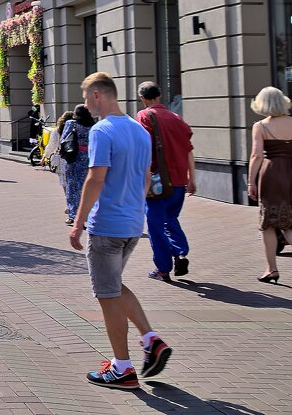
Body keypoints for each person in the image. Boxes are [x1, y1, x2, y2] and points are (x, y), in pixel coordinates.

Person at [69, 72, 172, 389]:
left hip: (107, 225)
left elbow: (95, 178)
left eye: (87, 99)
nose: (86, 105)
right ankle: (151, 339)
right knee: (114, 286)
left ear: (98, 95)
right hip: (131, 224)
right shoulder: (139, 131)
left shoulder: (103, 130)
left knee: (107, 295)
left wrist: (78, 222)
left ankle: (123, 368)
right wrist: (134, 210)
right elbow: (144, 178)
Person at [136, 82, 195, 282]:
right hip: (179, 181)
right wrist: (192, 179)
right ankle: (180, 252)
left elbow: (143, 149)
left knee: (155, 225)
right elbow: (189, 150)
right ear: (160, 95)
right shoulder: (177, 118)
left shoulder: (144, 116)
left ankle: (163, 268)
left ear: (143, 98)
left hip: (157, 183)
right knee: (170, 219)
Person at [247, 86, 292, 283]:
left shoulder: (261, 126)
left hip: (272, 173)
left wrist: (251, 181)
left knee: (269, 224)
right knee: (290, 221)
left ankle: (271, 269)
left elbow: (257, 155)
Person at [61, 106, 95, 226]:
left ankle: (73, 215)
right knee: (88, 187)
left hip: (74, 158)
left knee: (73, 188)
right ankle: (88, 214)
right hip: (90, 158)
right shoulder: (93, 125)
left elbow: (64, 138)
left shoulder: (71, 123)